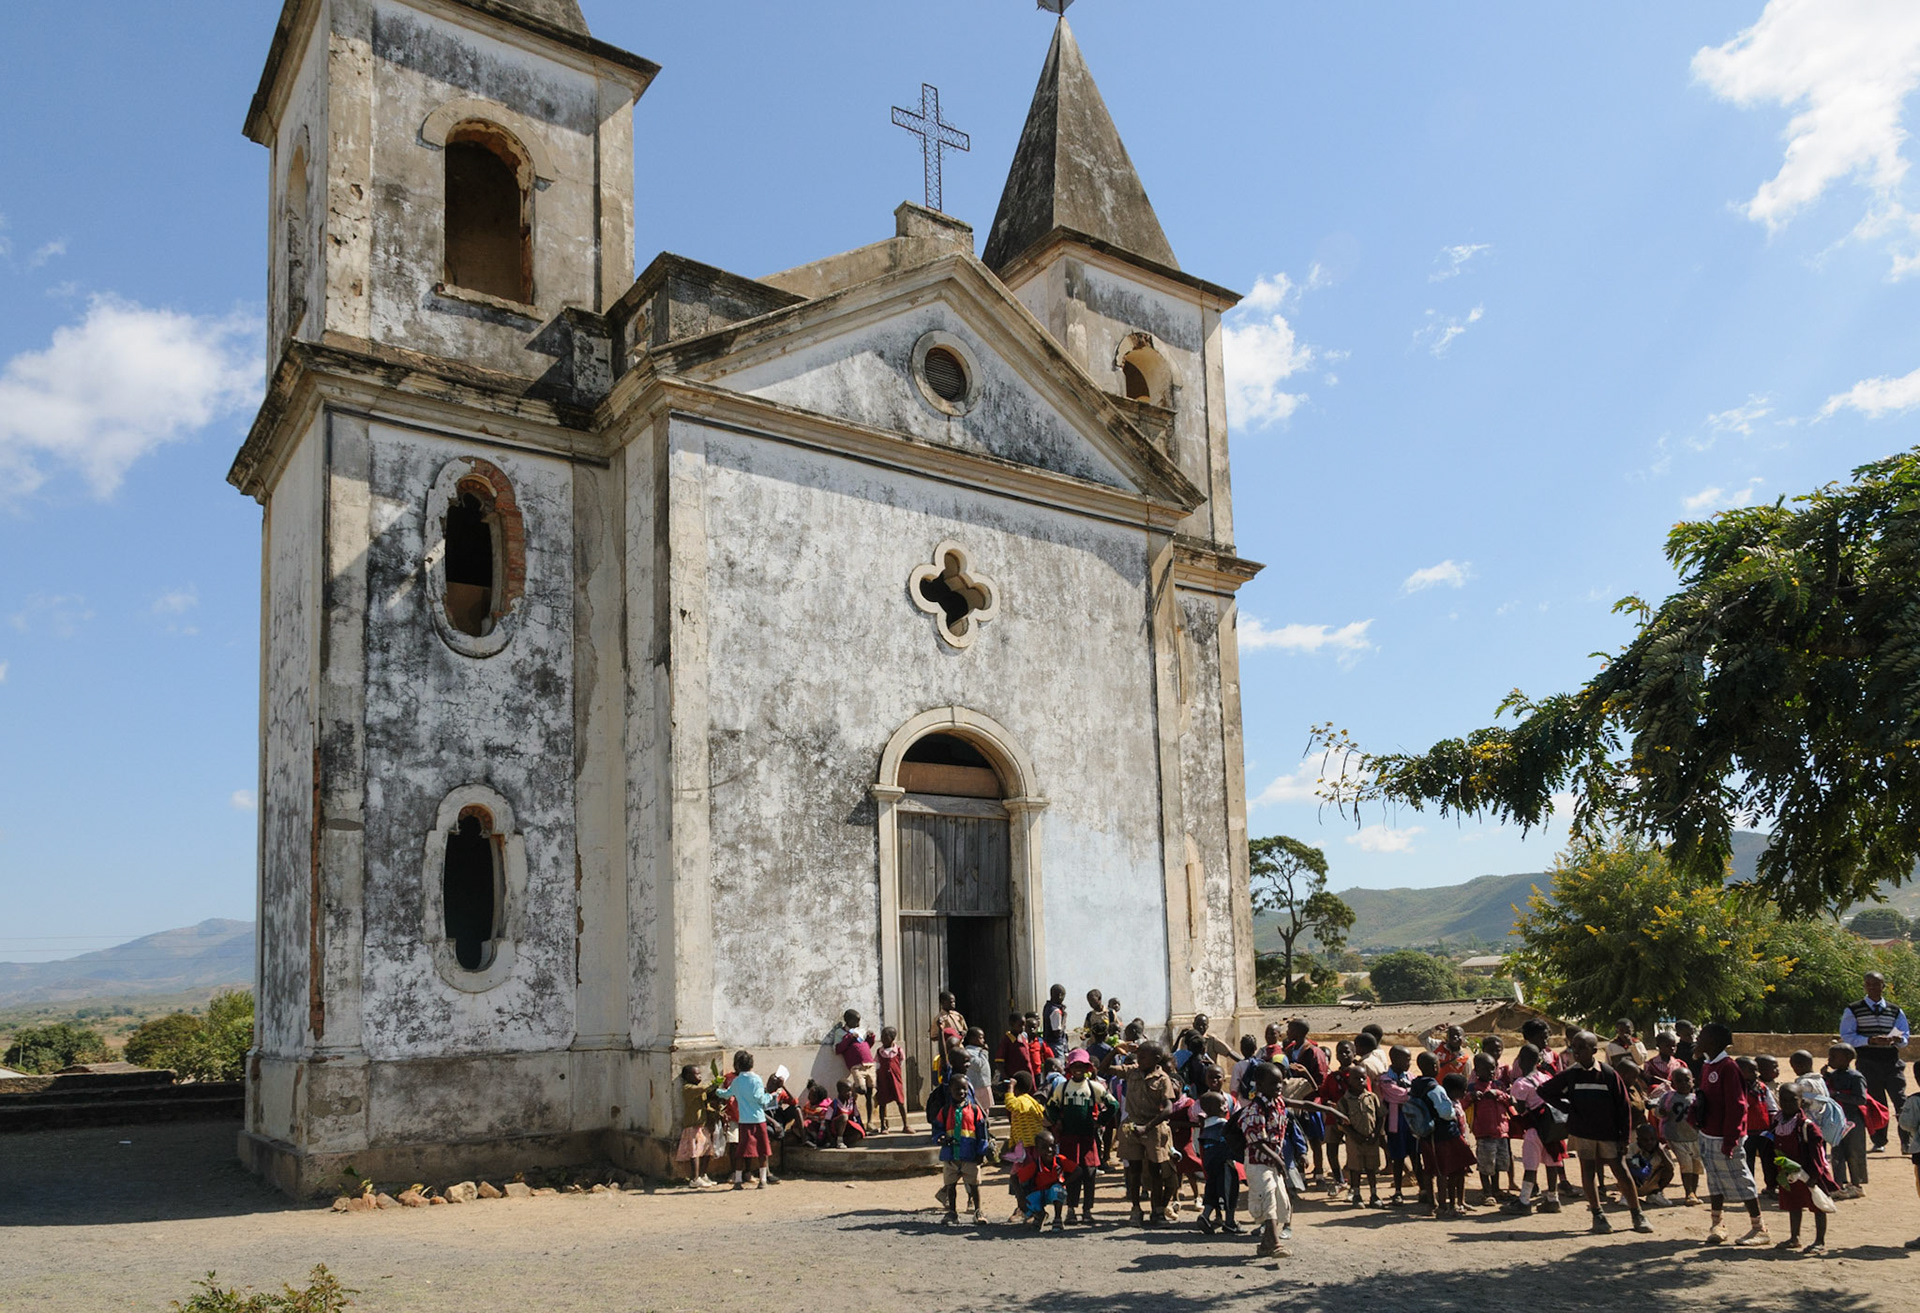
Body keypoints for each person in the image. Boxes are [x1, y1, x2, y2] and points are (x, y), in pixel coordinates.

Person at [1537, 1030, 1652, 1234]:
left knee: (1621, 1172)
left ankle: (1637, 1214)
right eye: (1575, 1047)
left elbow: (1623, 1107)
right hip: (1584, 1133)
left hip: (1608, 1132)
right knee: (1588, 1171)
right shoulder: (1571, 1074)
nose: (1577, 1051)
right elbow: (1544, 1090)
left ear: (1594, 1050)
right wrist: (1567, 1107)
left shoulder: (1608, 1074)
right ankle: (1598, 1215)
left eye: (1582, 1047)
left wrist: (1624, 1137)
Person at [1695, 1021, 1769, 1246]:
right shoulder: (1708, 1065)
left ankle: (1759, 1228)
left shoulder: (1728, 1067)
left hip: (1726, 1136)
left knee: (1741, 1178)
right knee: (1715, 1180)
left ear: (1714, 1042)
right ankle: (1718, 1224)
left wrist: (1731, 1139)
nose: (1698, 1039)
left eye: (1703, 1036)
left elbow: (1737, 1106)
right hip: (1709, 1134)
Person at [1840, 971, 1910, 1152]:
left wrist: (1896, 1040)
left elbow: (1905, 1035)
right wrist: (1870, 1040)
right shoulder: (1853, 1009)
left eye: (1876, 984)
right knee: (1877, 1103)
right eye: (1869, 984)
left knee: (1901, 1101)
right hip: (1868, 1062)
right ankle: (1879, 1141)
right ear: (1864, 986)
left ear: (1883, 986)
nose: (1873, 988)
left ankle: (1906, 1141)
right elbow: (1847, 1036)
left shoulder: (1895, 1010)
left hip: (1892, 1062)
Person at [1046, 1047, 1114, 1224]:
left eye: (1082, 1066)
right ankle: (1071, 1209)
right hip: (1069, 1138)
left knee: (1089, 1173)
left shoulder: (1094, 1087)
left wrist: (1101, 1121)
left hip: (1088, 1138)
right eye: (1074, 1066)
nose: (1078, 1069)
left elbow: (1112, 1105)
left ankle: (1087, 1210)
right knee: (1071, 1173)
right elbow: (1051, 1106)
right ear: (1069, 1068)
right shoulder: (1063, 1087)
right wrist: (1057, 1121)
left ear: (1087, 1068)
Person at [1117, 1041, 1177, 1225]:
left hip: (1153, 1127)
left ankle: (1157, 1210)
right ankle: (1136, 1208)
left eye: (1143, 1056)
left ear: (1156, 1059)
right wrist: (1115, 1050)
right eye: (1138, 1056)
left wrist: (1148, 1127)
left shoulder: (1163, 1079)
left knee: (1155, 1170)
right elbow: (1104, 1068)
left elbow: (1168, 1109)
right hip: (1132, 1127)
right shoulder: (1132, 1072)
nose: (1139, 1059)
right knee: (1133, 1170)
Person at [1772, 1085, 1836, 1255]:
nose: (1786, 1103)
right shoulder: (1778, 1122)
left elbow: (1817, 1154)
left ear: (1801, 1101)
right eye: (1783, 1099)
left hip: (1809, 1173)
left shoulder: (1807, 1126)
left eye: (1792, 1100)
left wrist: (1814, 1175)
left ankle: (1819, 1241)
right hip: (1789, 1173)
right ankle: (1794, 1237)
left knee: (1817, 1205)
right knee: (1794, 1204)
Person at [1506, 1043, 1568, 1215]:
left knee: (1531, 1166)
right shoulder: (1546, 1078)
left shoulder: (1521, 1083)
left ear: (1521, 1061)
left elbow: (1520, 1109)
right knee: (1552, 1163)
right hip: (1552, 1127)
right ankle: (1552, 1199)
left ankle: (1524, 1201)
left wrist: (1511, 1101)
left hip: (1534, 1129)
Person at [1242, 1061, 1293, 1258]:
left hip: (1273, 1161)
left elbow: (1303, 1104)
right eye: (1273, 1084)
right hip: (1258, 1162)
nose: (1278, 1087)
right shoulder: (1255, 1109)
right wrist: (1277, 1159)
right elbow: (1255, 1140)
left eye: (1280, 1083)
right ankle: (1276, 1244)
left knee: (1280, 1200)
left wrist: (1331, 1111)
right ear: (1260, 1085)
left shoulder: (1278, 1102)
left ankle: (1265, 1245)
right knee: (1268, 1198)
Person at [928, 1068, 992, 1225]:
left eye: (964, 1089)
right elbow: (937, 1129)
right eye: (957, 1089)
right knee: (950, 1185)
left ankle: (978, 1211)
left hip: (969, 1154)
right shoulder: (944, 1112)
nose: (961, 1092)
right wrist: (940, 1138)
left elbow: (982, 1133)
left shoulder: (975, 1110)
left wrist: (981, 1152)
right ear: (950, 1090)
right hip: (950, 1155)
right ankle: (952, 1212)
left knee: (974, 1184)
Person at [1467, 1052, 1515, 1206]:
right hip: (1484, 1133)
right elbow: (1462, 1104)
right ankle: (1486, 1192)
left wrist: (1499, 1094)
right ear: (1477, 1070)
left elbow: (1510, 1102)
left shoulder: (1499, 1086)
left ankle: (1496, 1189)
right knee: (1486, 1164)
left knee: (1499, 1164)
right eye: (1486, 1069)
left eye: (1493, 1068)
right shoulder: (1472, 1088)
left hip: (1501, 1132)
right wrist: (1472, 1097)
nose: (1491, 1072)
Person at [723, 1050, 775, 1191]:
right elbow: (761, 1099)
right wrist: (771, 1095)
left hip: (744, 1121)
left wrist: (717, 1091)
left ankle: (738, 1181)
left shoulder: (736, 1081)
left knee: (741, 1150)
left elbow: (727, 1094)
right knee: (762, 1150)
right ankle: (763, 1180)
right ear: (752, 1065)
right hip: (758, 1120)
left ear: (738, 1065)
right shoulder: (756, 1079)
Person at [1824, 1042, 1870, 1197]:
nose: (1830, 1059)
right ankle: (1839, 1184)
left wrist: (1838, 1095)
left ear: (1847, 1059)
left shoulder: (1856, 1077)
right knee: (1837, 1152)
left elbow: (1861, 1099)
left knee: (1854, 1152)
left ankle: (1856, 1184)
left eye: (1834, 1057)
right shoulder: (1834, 1075)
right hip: (1837, 1120)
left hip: (1852, 1119)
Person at [1336, 1065, 1386, 1208]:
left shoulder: (1372, 1097)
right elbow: (1342, 1123)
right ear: (1349, 1081)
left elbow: (1380, 1116)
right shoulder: (1344, 1101)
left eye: (1363, 1078)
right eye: (1356, 1079)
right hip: (1354, 1141)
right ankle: (1356, 1195)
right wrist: (1354, 1135)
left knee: (1372, 1168)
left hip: (1371, 1140)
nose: (1361, 1081)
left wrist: (1376, 1134)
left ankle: (1374, 1194)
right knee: (1355, 1168)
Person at [1656, 1066, 1705, 1206]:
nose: (1684, 1084)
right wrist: (1661, 1112)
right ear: (1673, 1084)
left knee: (1696, 1166)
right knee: (1686, 1165)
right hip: (1676, 1137)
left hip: (1695, 1138)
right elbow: (1658, 1112)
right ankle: (1688, 1193)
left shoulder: (1698, 1098)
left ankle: (1693, 1192)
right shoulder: (1668, 1097)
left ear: (1693, 1081)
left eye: (1687, 1080)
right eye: (1679, 1081)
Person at [1195, 1088, 1242, 1232]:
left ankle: (1205, 1215)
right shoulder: (1224, 1126)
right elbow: (1230, 1145)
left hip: (1210, 1165)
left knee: (1212, 1190)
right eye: (1222, 1104)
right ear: (1211, 1109)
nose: (1226, 1107)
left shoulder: (1206, 1127)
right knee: (1230, 1191)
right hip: (1226, 1165)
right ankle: (1230, 1222)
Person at [829, 1009, 878, 1129]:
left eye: (859, 1021)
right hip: (856, 1066)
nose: (858, 1023)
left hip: (869, 1064)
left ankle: (870, 1121)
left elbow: (865, 1046)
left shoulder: (860, 1031)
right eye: (856, 1021)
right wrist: (849, 1038)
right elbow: (837, 1049)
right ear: (848, 1020)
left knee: (870, 1093)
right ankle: (853, 1097)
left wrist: (870, 1038)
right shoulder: (840, 1033)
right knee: (862, 1089)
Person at [1013, 1129, 1070, 1231]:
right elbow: (1014, 1177)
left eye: (1052, 1146)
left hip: (1055, 1194)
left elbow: (1078, 1171)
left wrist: (1065, 1182)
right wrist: (1020, 1196)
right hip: (1040, 1194)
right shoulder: (1035, 1165)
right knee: (1025, 1203)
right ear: (1037, 1150)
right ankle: (1040, 1215)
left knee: (1057, 1189)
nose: (1049, 1150)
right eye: (1044, 1147)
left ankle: (1057, 1218)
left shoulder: (1060, 1160)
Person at [674, 1064, 720, 1188]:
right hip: (693, 1125)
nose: (700, 1076)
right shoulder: (688, 1088)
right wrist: (714, 1084)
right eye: (696, 1074)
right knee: (695, 1153)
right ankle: (694, 1178)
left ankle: (703, 1175)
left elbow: (706, 1099)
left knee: (707, 1151)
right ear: (688, 1077)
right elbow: (703, 1090)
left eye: (700, 1073)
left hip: (702, 1125)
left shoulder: (699, 1088)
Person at [1625, 1123, 1678, 1206]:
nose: (1649, 1142)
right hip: (1633, 1182)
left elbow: (1670, 1168)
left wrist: (1661, 1153)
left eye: (1652, 1139)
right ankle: (1627, 1195)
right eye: (1645, 1140)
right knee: (1625, 1169)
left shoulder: (1662, 1151)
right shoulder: (1632, 1148)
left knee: (1668, 1172)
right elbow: (1626, 1164)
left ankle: (1654, 1195)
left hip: (1651, 1182)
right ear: (1638, 1140)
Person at [873, 1025, 907, 1133]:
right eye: (882, 1037)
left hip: (895, 1079)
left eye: (885, 1037)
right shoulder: (879, 1052)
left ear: (892, 1038)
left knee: (900, 1102)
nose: (883, 1039)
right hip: (883, 1080)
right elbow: (877, 1066)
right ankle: (883, 1126)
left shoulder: (899, 1051)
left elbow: (900, 1063)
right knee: (882, 1102)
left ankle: (905, 1125)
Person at [962, 1027, 994, 1107]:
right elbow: (978, 1065)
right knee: (978, 1108)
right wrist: (984, 1052)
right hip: (977, 1086)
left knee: (986, 1108)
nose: (983, 1040)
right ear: (972, 1039)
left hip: (985, 1084)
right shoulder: (969, 1052)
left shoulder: (979, 1050)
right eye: (981, 1037)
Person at [1042, 983, 1070, 1059]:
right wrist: (1064, 1017)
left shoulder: (1047, 1007)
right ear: (1060, 995)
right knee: (1059, 1066)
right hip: (1056, 1046)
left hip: (1048, 1043)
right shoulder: (1056, 1011)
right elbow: (1057, 1033)